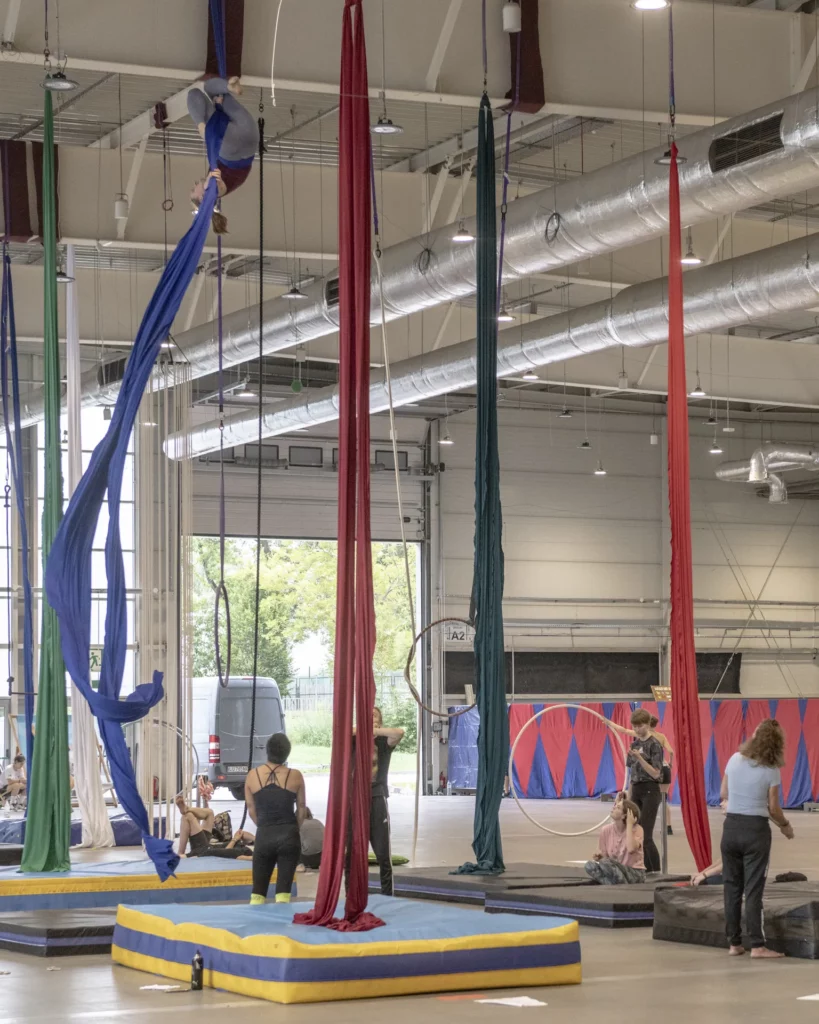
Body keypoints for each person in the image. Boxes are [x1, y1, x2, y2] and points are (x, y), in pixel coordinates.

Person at [720, 718, 794, 959]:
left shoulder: (734, 759)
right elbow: (773, 808)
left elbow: (723, 793)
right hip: (755, 832)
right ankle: (758, 945)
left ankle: (734, 943)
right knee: (753, 890)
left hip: (730, 828)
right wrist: (785, 826)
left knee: (731, 887)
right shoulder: (771, 770)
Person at [187, 76, 259, 234]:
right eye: (194, 189)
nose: (194, 184)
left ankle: (230, 87)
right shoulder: (214, 190)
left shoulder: (215, 185)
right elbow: (216, 188)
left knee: (210, 88)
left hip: (250, 136)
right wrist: (202, 128)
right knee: (194, 95)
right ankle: (203, 128)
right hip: (231, 149)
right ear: (202, 198)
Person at [245, 733, 305, 905]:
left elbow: (251, 810)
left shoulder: (252, 775)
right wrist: (294, 828)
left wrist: (264, 825)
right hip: (289, 835)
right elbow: (301, 808)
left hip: (264, 834)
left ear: (267, 751)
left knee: (258, 893)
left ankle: (257, 927)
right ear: (287, 752)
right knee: (283, 894)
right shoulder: (296, 775)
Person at [626, 708, 664, 872]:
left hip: (650, 790)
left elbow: (656, 773)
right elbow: (631, 771)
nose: (637, 730)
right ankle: (640, 867)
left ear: (648, 725)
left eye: (640, 726)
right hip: (636, 789)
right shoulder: (634, 744)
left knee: (646, 834)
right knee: (634, 831)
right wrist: (628, 794)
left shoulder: (655, 745)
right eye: (634, 727)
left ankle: (655, 870)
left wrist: (640, 758)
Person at [585, 792, 646, 885]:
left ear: (625, 815)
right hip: (615, 869)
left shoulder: (637, 829)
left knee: (606, 863)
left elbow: (631, 849)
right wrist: (599, 857)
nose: (613, 808)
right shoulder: (605, 830)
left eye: (617, 808)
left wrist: (629, 824)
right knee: (589, 865)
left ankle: (616, 883)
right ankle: (615, 883)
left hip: (634, 873)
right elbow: (605, 858)